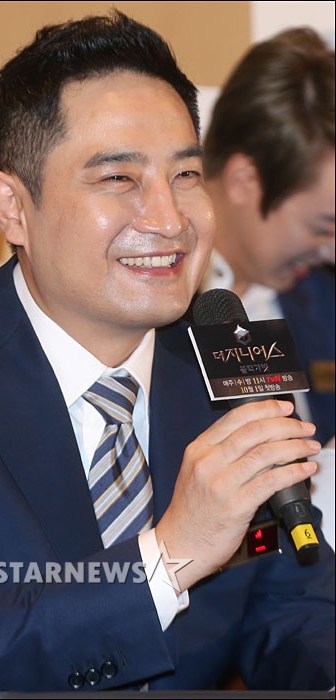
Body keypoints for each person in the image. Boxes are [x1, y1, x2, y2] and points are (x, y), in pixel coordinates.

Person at [0, 11, 334, 692]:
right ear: (12, 207)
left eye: (185, 174)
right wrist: (171, 555)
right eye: (118, 179)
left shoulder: (224, 371)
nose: (169, 219)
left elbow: (293, 608)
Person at [200, 27, 335, 548]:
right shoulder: (143, 315)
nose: (331, 251)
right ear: (244, 181)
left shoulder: (320, 297)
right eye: (322, 226)